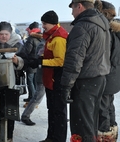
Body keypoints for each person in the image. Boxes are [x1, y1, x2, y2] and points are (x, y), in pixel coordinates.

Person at [12, 10, 68, 142]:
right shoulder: (51, 35)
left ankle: (58, 138)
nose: (43, 26)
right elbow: (49, 54)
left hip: (57, 79)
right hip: (49, 78)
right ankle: (51, 137)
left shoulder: (59, 37)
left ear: (52, 23)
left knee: (58, 112)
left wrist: (41, 62)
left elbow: (60, 61)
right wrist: (39, 59)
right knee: (52, 110)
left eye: (45, 23)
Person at [60, 0, 111, 141]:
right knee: (91, 123)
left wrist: (65, 85)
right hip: (99, 78)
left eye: (72, 8)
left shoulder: (83, 26)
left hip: (85, 81)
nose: (71, 12)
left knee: (81, 127)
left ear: (79, 6)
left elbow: (74, 59)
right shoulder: (102, 23)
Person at [94, 1, 119, 141]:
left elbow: (105, 56)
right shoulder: (115, 32)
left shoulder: (108, 33)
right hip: (114, 76)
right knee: (109, 106)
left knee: (103, 108)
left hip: (107, 75)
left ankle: (104, 135)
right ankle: (111, 133)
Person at [21, 40, 45, 126]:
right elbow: (37, 57)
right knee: (37, 97)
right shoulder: (44, 43)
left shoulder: (43, 41)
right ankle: (25, 116)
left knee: (38, 96)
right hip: (43, 74)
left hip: (47, 74)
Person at [22, 22, 42, 108]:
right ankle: (32, 97)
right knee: (34, 81)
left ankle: (32, 101)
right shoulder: (41, 37)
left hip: (31, 63)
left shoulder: (31, 38)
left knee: (30, 82)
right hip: (38, 62)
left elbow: (27, 51)